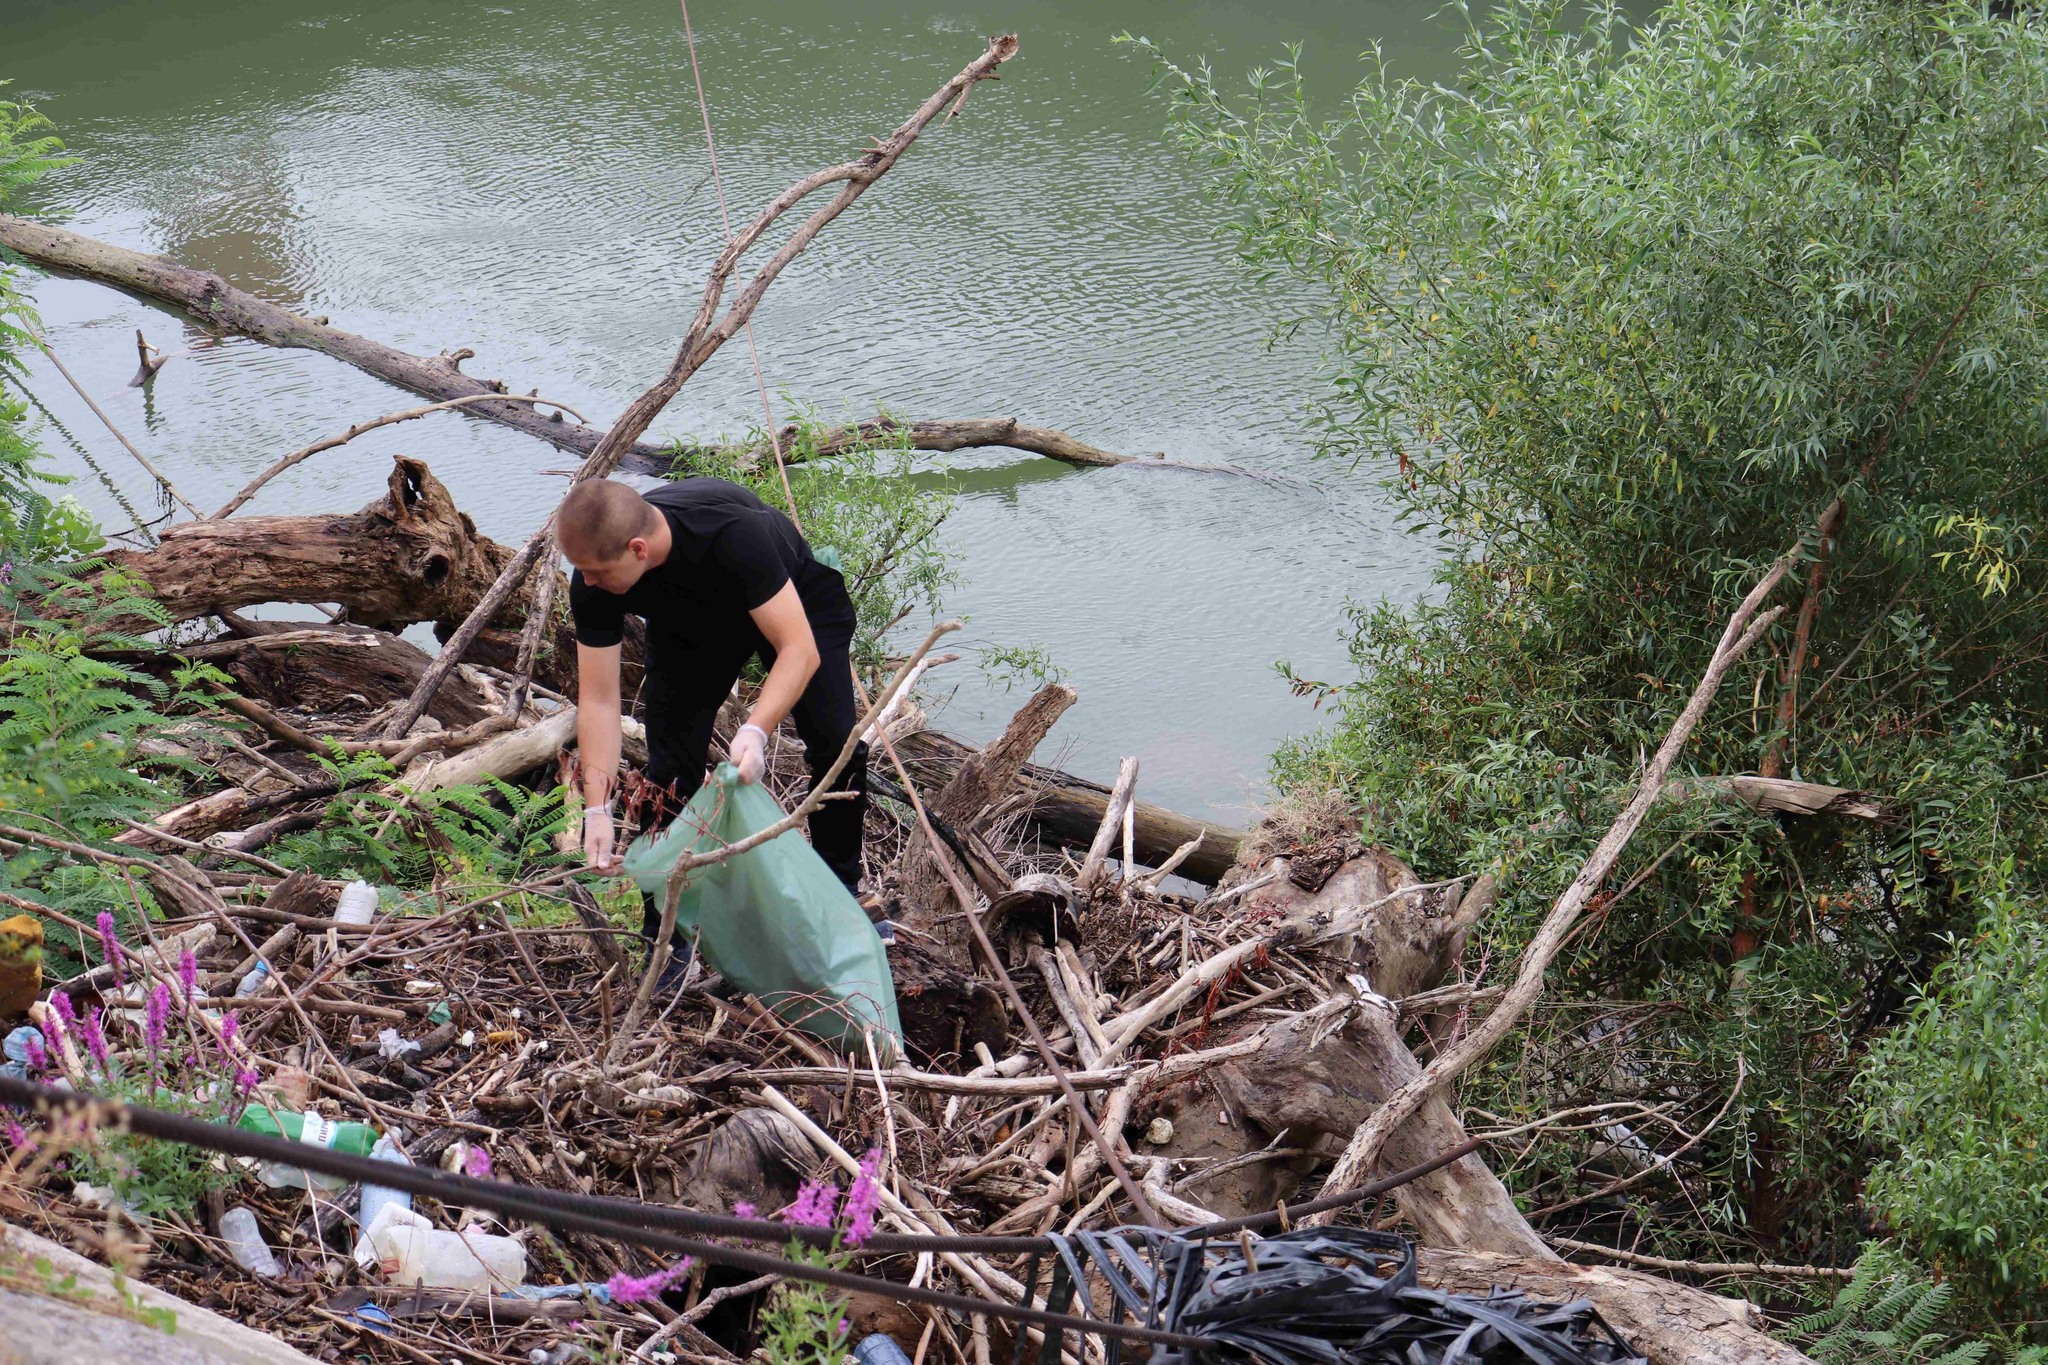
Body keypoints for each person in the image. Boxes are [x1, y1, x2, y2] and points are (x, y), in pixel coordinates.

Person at [562, 477, 869, 923]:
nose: (587, 581)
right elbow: (599, 702)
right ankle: (667, 929)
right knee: (669, 768)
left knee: (836, 744)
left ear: (638, 549)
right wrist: (597, 808)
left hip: (792, 601)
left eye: (597, 572)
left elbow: (798, 649)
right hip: (690, 625)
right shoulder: (595, 573)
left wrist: (756, 729)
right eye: (582, 570)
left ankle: (841, 893)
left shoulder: (735, 534)